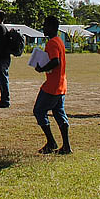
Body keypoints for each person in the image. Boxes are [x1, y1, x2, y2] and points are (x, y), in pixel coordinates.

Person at [33, 15, 71, 154]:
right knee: (59, 113)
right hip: (61, 84)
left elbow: (55, 61)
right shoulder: (59, 41)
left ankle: (51, 142)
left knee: (39, 111)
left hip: (52, 86)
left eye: (45, 25)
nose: (43, 28)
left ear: (51, 27)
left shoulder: (52, 43)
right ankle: (66, 146)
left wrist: (41, 68)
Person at [0, 11, 21, 108]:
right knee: (3, 78)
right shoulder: (3, 28)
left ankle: (5, 100)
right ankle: (4, 99)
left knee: (3, 79)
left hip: (2, 57)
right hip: (4, 57)